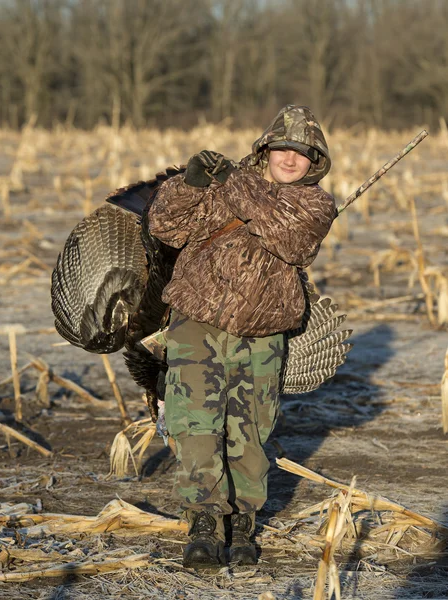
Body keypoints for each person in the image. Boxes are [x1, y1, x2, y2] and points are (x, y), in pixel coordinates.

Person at [148, 104, 336, 567]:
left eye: (303, 152)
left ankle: (243, 522)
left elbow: (288, 236)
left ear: (316, 162)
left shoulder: (315, 205)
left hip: (264, 333)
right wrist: (187, 186)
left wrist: (235, 181)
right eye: (283, 148)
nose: (291, 159)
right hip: (197, 324)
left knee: (250, 430)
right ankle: (204, 522)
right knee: (195, 424)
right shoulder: (225, 185)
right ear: (266, 149)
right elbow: (165, 227)